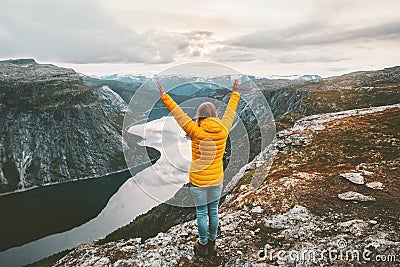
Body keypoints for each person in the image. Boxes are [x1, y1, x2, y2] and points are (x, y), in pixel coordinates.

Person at [157, 80, 241, 258]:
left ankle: (202, 244)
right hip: (216, 179)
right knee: (213, 211)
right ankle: (212, 242)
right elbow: (231, 111)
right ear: (215, 114)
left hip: (199, 181)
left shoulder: (195, 130)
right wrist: (235, 93)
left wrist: (165, 96)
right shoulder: (224, 129)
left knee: (202, 213)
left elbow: (178, 114)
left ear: (200, 116)